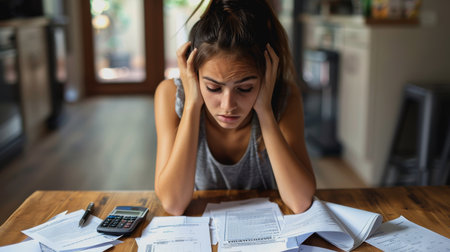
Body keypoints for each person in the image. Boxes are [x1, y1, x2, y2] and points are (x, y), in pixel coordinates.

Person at [154, 0, 316, 216]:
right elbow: (173, 204)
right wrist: (193, 103)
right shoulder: (171, 95)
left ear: (267, 75)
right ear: (194, 74)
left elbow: (300, 201)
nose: (228, 106)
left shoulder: (285, 97)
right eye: (213, 88)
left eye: (245, 88)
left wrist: (265, 111)